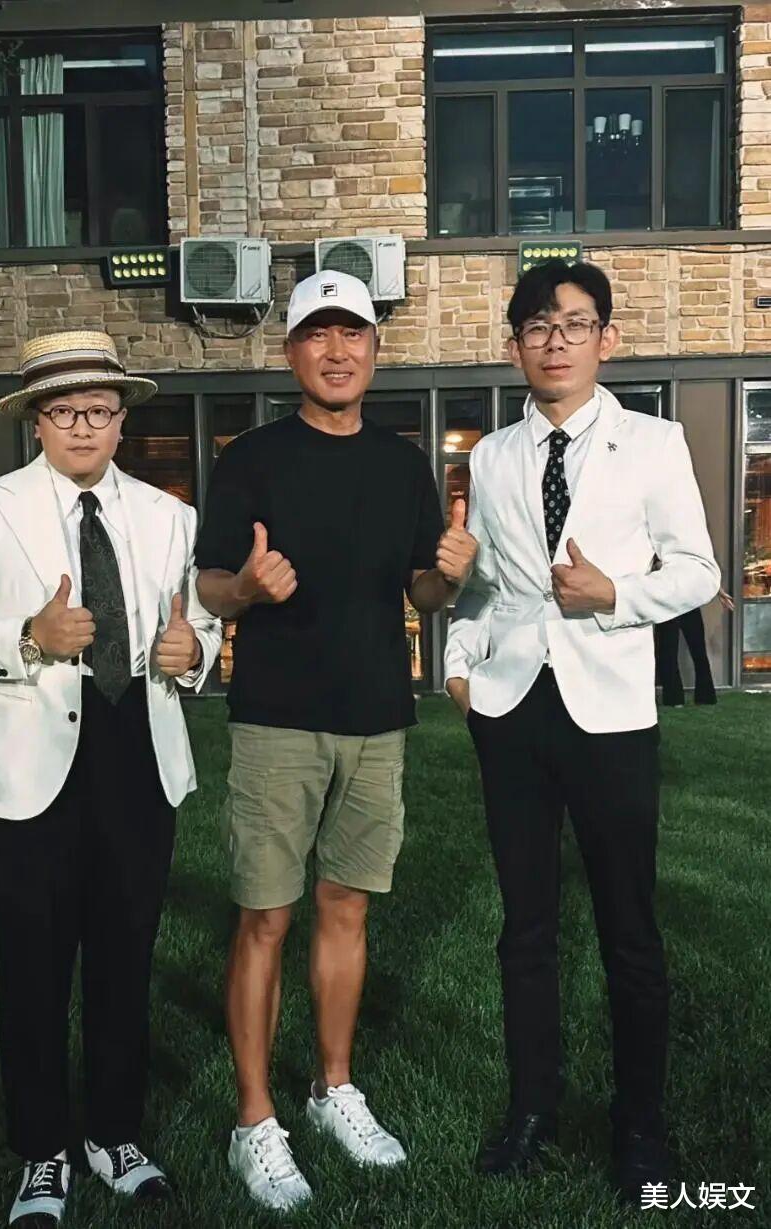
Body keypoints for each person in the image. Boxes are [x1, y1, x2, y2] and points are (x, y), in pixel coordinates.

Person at [0, 331, 220, 1228]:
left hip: (137, 758)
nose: (82, 425)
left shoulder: (169, 516)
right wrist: (24, 637)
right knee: (33, 967)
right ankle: (41, 1150)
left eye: (98, 409)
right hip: (27, 769)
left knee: (126, 957)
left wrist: (195, 650)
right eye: (63, 410)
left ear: (123, 420)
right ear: (35, 422)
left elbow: (195, 623)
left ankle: (114, 1134)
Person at [194, 270, 477, 1212]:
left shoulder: (400, 464)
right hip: (276, 718)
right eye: (316, 332)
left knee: (345, 907)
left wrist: (447, 576)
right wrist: (244, 591)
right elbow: (210, 584)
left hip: (376, 716)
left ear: (374, 350)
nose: (336, 349)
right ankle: (253, 1118)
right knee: (265, 917)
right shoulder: (251, 458)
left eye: (351, 331)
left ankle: (332, 1086)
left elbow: (420, 591)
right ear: (291, 353)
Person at [444, 261, 720, 1202]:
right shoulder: (491, 456)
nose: (554, 341)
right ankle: (532, 1107)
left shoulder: (653, 442)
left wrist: (614, 596)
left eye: (572, 323)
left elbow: (696, 570)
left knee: (627, 927)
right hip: (511, 706)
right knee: (524, 926)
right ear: (514, 345)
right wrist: (459, 663)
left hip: (610, 711)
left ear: (607, 338)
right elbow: (484, 586)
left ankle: (639, 1124)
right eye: (536, 326)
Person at [655, 590, 734, 706]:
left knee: (696, 652)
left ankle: (702, 697)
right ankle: (676, 699)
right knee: (669, 654)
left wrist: (719, 591)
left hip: (686, 602)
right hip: (668, 603)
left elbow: (704, 576)